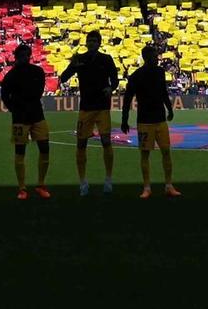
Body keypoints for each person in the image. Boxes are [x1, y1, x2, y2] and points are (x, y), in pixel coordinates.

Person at [59, 30, 118, 196]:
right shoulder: (80, 59)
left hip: (102, 107)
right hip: (86, 108)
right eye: (89, 40)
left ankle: (108, 179)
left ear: (99, 43)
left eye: (94, 41)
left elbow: (115, 80)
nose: (91, 43)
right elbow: (63, 78)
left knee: (106, 142)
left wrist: (111, 88)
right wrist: (72, 66)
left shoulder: (106, 59)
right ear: (86, 43)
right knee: (81, 144)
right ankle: (83, 182)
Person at [119, 43, 180, 199]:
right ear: (147, 58)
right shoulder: (136, 76)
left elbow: (163, 92)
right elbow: (127, 99)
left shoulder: (160, 72)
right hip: (145, 121)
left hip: (160, 119)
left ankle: (169, 185)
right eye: (154, 56)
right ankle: (147, 187)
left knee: (166, 152)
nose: (157, 59)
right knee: (145, 154)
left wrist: (170, 109)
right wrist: (124, 119)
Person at [0, 42, 52, 201]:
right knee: (20, 152)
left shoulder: (37, 71)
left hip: (37, 115)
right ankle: (22, 188)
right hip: (20, 118)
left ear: (29, 56)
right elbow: (4, 95)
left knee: (45, 149)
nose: (24, 58)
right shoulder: (11, 75)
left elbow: (39, 91)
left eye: (26, 55)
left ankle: (40, 184)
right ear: (16, 57)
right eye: (21, 55)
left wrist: (16, 106)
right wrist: (14, 109)